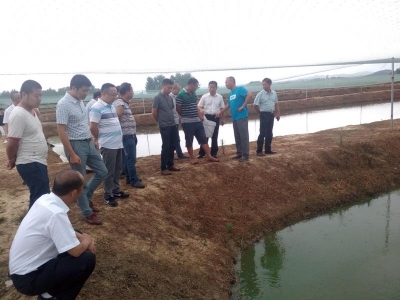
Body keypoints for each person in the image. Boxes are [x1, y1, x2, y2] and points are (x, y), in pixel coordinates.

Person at [9, 169, 96, 300]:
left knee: (76, 233)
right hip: (28, 280)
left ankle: (51, 291)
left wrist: (80, 236)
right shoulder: (55, 213)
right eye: (82, 188)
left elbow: (64, 231)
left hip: (22, 270)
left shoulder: (45, 199)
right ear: (73, 193)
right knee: (87, 259)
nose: (82, 191)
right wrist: (87, 239)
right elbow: (76, 252)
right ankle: (51, 296)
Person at [56, 74, 107, 225]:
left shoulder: (80, 102)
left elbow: (83, 124)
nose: (86, 93)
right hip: (76, 145)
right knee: (81, 180)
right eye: (83, 90)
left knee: (103, 171)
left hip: (87, 142)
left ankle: (85, 198)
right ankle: (87, 212)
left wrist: (92, 139)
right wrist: (71, 153)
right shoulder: (63, 104)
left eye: (87, 91)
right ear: (74, 88)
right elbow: (61, 131)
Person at [6, 80, 50, 208]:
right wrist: (11, 159)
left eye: (40, 95)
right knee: (40, 197)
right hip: (30, 162)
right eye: (36, 95)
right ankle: (34, 226)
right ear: (24, 95)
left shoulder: (32, 111)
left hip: (37, 161)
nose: (39, 99)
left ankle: (36, 224)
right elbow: (11, 143)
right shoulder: (18, 114)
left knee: (41, 195)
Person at [90, 83, 130, 207]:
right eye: (113, 95)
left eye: (116, 94)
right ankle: (108, 195)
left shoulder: (112, 106)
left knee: (117, 169)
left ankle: (116, 190)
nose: (115, 97)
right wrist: (98, 138)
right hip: (108, 145)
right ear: (103, 94)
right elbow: (92, 127)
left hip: (118, 143)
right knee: (109, 171)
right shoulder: (96, 107)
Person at [175, 78, 219, 164]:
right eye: (196, 86)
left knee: (203, 138)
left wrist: (200, 116)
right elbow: (178, 109)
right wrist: (186, 114)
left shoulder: (194, 94)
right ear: (192, 85)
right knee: (189, 140)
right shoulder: (181, 95)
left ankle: (209, 156)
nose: (196, 88)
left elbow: (195, 106)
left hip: (197, 121)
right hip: (187, 122)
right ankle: (192, 158)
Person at [114, 82, 145, 188]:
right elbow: (117, 117)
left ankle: (129, 178)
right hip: (126, 136)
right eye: (131, 90)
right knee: (131, 158)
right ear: (127, 91)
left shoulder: (125, 102)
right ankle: (134, 180)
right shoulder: (120, 103)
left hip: (130, 135)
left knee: (128, 158)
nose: (132, 92)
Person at [217, 76, 253, 162]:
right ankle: (239, 153)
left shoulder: (239, 89)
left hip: (242, 117)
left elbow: (249, 95)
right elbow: (228, 105)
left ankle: (245, 155)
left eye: (227, 82)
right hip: (235, 118)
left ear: (232, 82)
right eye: (225, 82)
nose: (226, 84)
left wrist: (243, 106)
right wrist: (221, 112)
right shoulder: (231, 94)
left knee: (243, 136)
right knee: (237, 136)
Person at [152, 79, 181, 175]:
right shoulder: (157, 98)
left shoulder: (169, 98)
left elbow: (171, 110)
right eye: (169, 88)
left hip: (172, 124)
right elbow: (154, 112)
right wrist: (159, 122)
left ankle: (170, 164)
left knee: (173, 144)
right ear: (163, 86)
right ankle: (163, 167)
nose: (170, 89)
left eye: (172, 88)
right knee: (166, 146)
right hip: (164, 126)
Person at [197, 81, 225, 158]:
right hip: (206, 117)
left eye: (213, 87)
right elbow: (199, 106)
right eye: (210, 87)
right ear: (208, 87)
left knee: (215, 135)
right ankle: (202, 153)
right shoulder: (204, 96)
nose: (212, 89)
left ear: (216, 88)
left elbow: (222, 108)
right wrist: (201, 110)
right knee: (204, 136)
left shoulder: (219, 97)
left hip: (216, 117)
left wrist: (223, 119)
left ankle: (214, 153)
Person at [254, 78, 280, 155]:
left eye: (265, 84)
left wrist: (277, 113)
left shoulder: (274, 93)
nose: (263, 86)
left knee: (269, 132)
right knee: (262, 133)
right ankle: (259, 151)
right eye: (263, 84)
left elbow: (276, 103)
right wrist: (260, 113)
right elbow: (255, 105)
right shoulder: (260, 94)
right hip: (264, 114)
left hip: (271, 114)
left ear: (269, 84)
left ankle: (268, 149)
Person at [169, 83, 188, 159]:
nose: (179, 91)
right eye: (178, 90)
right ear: (174, 89)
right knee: (173, 139)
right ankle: (174, 155)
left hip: (175, 120)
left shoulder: (175, 97)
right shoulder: (170, 97)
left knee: (176, 138)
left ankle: (179, 154)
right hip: (172, 121)